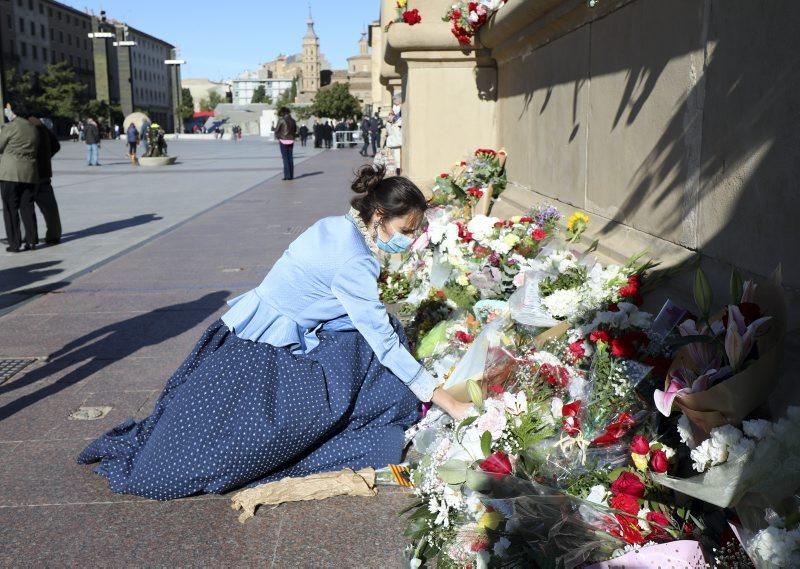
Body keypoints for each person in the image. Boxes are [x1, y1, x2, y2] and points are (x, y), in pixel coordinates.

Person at [77, 164, 471, 500]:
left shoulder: (335, 227)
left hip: (241, 338)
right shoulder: (355, 260)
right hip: (271, 356)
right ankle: (385, 419)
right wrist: (445, 401)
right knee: (376, 348)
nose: (412, 237)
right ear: (381, 215)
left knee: (195, 433)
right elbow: (382, 343)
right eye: (409, 227)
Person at [0, 103, 40, 252]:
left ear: (13, 112)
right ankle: (31, 240)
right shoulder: (33, 128)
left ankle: (15, 243)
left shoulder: (11, 126)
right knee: (27, 207)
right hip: (29, 172)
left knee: (10, 209)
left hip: (10, 172)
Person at [28, 116, 62, 245]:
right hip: (44, 173)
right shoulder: (43, 128)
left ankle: (29, 236)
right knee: (50, 207)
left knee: (25, 206)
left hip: (29, 174)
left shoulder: (26, 128)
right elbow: (56, 146)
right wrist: (46, 157)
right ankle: (54, 234)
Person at [274, 106, 297, 181]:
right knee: (290, 158)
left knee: (285, 158)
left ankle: (287, 175)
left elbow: (277, 129)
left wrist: (278, 136)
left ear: (283, 113)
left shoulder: (281, 120)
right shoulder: (293, 120)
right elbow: (295, 130)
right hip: (291, 140)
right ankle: (291, 175)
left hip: (283, 140)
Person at [385, 112, 403, 177]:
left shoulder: (399, 123)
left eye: (389, 116)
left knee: (398, 166)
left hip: (397, 149)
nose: (388, 117)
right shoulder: (393, 123)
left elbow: (399, 140)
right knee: (395, 165)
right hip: (394, 148)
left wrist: (388, 141)